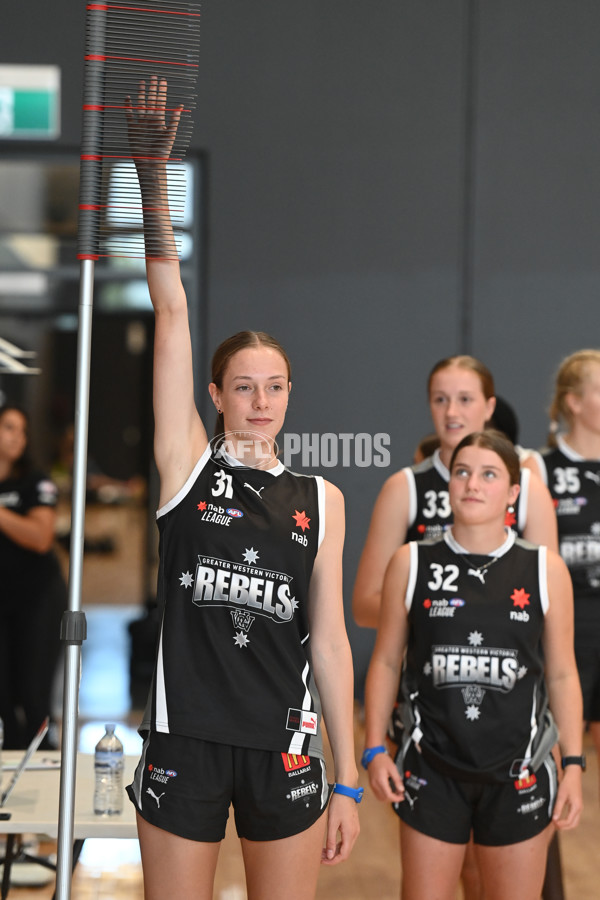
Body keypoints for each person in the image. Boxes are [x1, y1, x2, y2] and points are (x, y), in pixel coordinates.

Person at [123, 77, 359, 900]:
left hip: (284, 750)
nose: (262, 401)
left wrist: (351, 778)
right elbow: (173, 311)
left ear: (290, 395)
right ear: (216, 397)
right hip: (184, 740)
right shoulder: (188, 466)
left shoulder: (321, 499)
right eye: (245, 386)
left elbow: (328, 644)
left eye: (277, 386)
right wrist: (154, 175)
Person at [363, 430, 584, 900]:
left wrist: (575, 764)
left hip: (520, 771)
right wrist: (373, 748)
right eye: (462, 472)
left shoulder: (545, 569)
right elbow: (384, 662)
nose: (472, 484)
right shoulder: (412, 562)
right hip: (431, 768)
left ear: (512, 493)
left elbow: (563, 673)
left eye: (489, 474)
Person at [353, 355, 558, 630]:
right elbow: (364, 606)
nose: (451, 412)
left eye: (465, 399)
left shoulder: (529, 488)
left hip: (508, 662)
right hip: (427, 665)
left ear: (489, 407)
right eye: (440, 400)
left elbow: (550, 600)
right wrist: (441, 618)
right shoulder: (404, 487)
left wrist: (473, 615)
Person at [524, 349, 600, 797]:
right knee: (555, 754)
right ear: (573, 402)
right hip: (567, 620)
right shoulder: (540, 467)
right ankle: (538, 865)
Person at [0, 404, 66, 749]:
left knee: (33, 693)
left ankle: (44, 766)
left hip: (38, 598)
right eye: (10, 427)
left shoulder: (34, 481)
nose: (18, 437)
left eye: (22, 430)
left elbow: (40, 538)